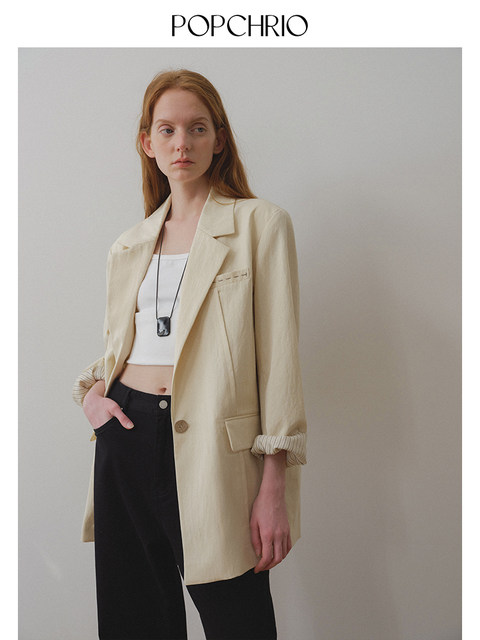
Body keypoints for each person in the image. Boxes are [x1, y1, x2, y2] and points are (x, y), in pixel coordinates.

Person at [72, 69, 307, 640]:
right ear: (147, 143)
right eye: (168, 130)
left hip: (215, 451)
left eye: (198, 128)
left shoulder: (260, 224)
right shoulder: (128, 245)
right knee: (134, 621)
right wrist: (93, 397)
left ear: (219, 139)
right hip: (125, 434)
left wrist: (274, 485)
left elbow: (279, 360)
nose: (183, 143)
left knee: (239, 620)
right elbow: (118, 347)